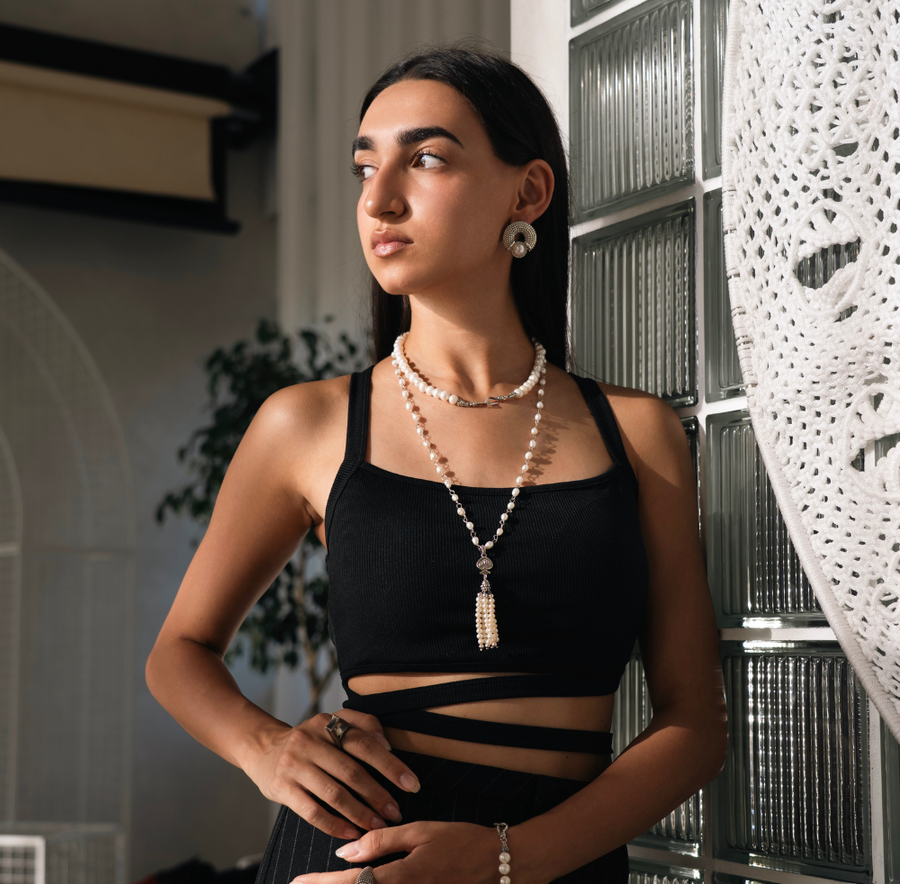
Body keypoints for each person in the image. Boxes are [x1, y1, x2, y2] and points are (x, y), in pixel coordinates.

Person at [146, 47, 727, 884]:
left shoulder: (637, 433)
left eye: (425, 158)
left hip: (559, 862)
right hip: (356, 857)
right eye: (363, 167)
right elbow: (180, 650)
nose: (379, 199)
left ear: (526, 193)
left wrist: (510, 860)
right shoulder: (307, 423)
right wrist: (268, 749)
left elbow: (693, 726)